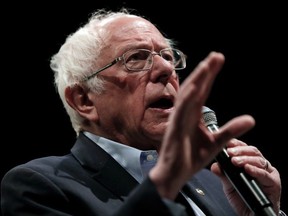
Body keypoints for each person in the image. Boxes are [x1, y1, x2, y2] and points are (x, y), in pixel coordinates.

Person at [1, 7, 286, 216]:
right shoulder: (41, 186)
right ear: (84, 100)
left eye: (167, 56)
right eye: (136, 58)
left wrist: (264, 211)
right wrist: (164, 182)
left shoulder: (217, 182)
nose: (165, 69)